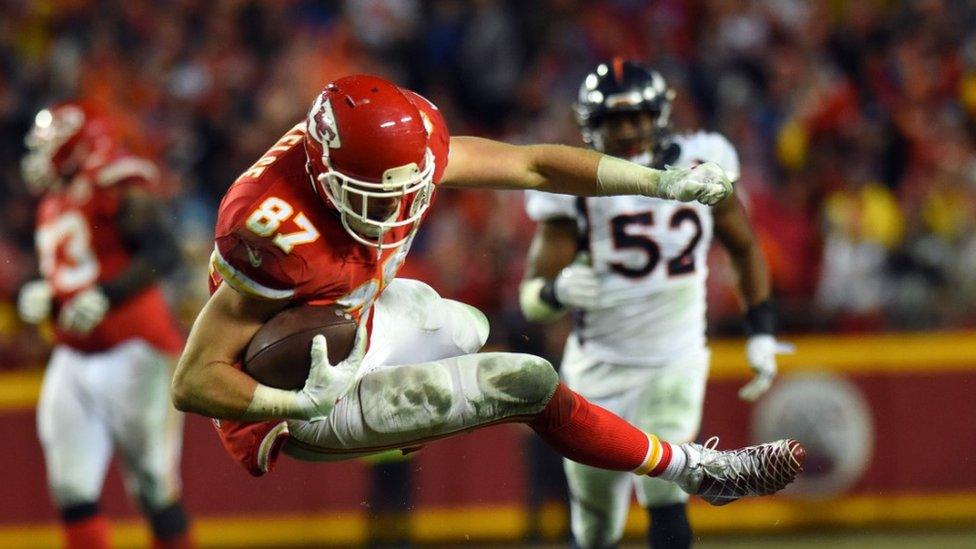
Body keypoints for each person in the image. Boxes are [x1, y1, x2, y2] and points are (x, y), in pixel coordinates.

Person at [171, 75, 803, 511]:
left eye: (406, 189)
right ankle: (700, 471)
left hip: (353, 324)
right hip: (294, 393)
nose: (397, 209)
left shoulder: (405, 141)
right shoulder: (272, 225)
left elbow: (531, 165)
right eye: (374, 197)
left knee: (462, 323)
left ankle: (403, 422)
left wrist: (659, 182)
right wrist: (291, 402)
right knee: (526, 380)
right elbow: (193, 381)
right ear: (324, 174)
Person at [519, 59, 795, 548]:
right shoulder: (577, 187)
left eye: (637, 117)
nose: (627, 130)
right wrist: (555, 292)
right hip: (599, 367)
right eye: (614, 120)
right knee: (596, 522)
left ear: (659, 114)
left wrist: (762, 330)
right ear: (592, 125)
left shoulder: (703, 159)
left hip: (676, 357)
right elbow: (531, 299)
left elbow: (744, 246)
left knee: (666, 487)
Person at [18, 103, 193, 549]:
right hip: (73, 355)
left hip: (137, 349)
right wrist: (49, 296)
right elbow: (82, 268)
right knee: (71, 490)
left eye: (49, 144)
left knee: (154, 487)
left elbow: (163, 253)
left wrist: (107, 296)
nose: (40, 155)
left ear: (76, 144)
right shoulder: (54, 200)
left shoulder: (115, 183)